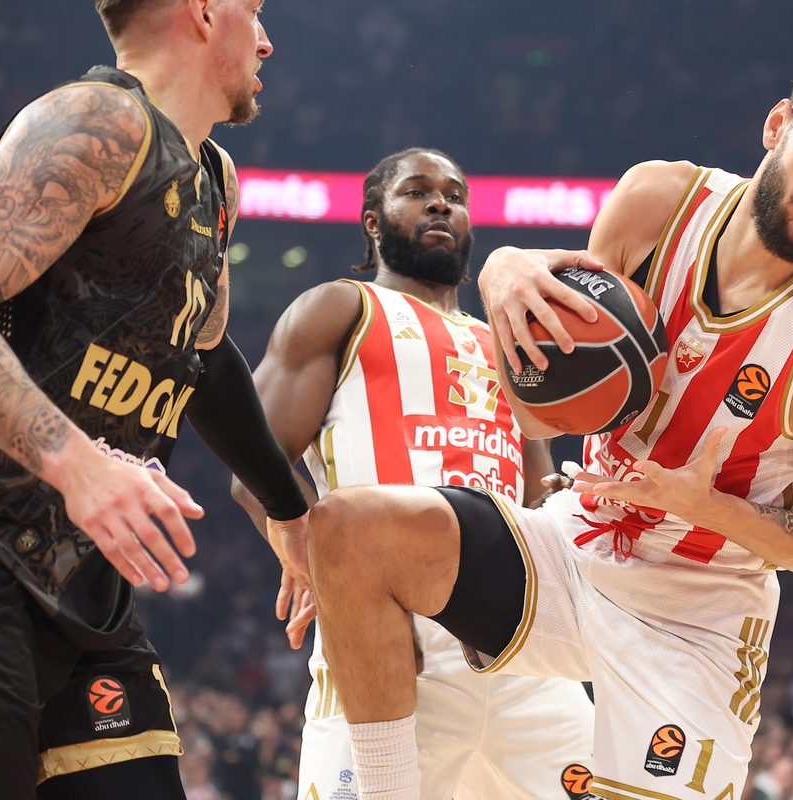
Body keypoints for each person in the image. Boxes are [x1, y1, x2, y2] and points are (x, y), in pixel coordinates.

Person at [303, 56, 793, 800]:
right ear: (778, 126)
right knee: (348, 529)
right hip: (575, 544)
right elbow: (549, 398)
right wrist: (503, 269)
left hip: (698, 611)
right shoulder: (659, 200)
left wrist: (704, 506)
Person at [0, 0, 310, 797]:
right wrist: (78, 466)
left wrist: (294, 513)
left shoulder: (213, 177)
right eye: (255, 11)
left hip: (86, 587)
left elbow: (204, 363)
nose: (269, 38)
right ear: (206, 12)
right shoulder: (95, 121)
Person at [232, 148, 596, 800]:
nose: (440, 204)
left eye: (455, 195)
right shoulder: (340, 308)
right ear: (373, 221)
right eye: (418, 191)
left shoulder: (507, 341)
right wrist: (312, 562)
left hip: (522, 647)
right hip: (392, 639)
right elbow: (252, 464)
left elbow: (540, 503)